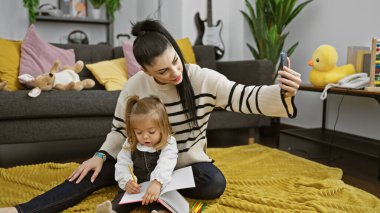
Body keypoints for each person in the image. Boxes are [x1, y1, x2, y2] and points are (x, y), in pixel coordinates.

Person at [0, 19, 301, 213]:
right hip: (138, 160)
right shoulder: (135, 86)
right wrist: (101, 156)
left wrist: (283, 92)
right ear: (145, 71)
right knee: (86, 174)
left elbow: (244, 97)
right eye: (162, 71)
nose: (175, 72)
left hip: (182, 165)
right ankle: (22, 210)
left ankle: (137, 194)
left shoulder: (202, 78)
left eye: (175, 61)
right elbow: (119, 130)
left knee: (213, 182)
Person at [96, 95, 178, 213]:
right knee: (121, 200)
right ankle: (112, 211)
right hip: (136, 188)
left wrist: (157, 182)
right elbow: (123, 163)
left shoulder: (168, 142)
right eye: (139, 132)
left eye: (151, 132)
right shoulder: (131, 143)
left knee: (161, 201)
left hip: (158, 186)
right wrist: (127, 181)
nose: (145, 136)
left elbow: (167, 162)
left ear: (162, 127)